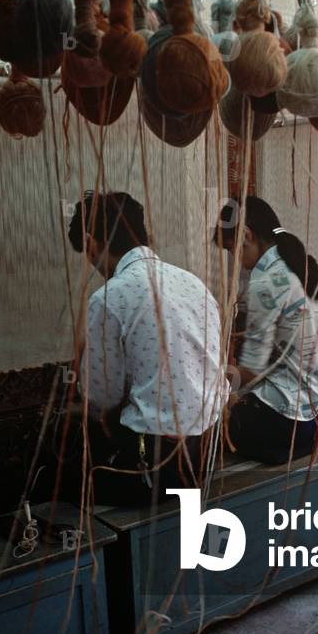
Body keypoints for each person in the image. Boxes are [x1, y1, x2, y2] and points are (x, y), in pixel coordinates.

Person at [65, 191, 227, 505]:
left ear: (90, 242)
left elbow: (101, 398)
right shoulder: (194, 284)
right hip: (207, 453)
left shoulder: (109, 298)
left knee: (63, 479)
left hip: (156, 467)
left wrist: (83, 356)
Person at [214, 197, 318, 464]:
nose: (236, 261)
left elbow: (251, 372)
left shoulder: (264, 280)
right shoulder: (304, 265)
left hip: (287, 422)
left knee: (208, 427)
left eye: (232, 249)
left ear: (248, 236)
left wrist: (216, 379)